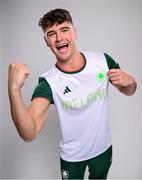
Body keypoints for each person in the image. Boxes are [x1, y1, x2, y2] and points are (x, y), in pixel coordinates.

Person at [8, 8, 137, 179]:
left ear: (74, 32)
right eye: (51, 34)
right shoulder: (49, 83)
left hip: (103, 149)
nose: (59, 37)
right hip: (73, 158)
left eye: (64, 29)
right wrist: (14, 91)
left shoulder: (102, 61)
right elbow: (28, 133)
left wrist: (131, 82)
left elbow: (128, 90)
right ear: (46, 41)